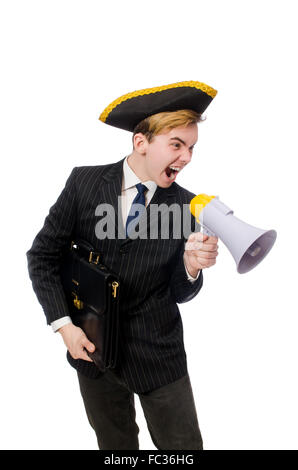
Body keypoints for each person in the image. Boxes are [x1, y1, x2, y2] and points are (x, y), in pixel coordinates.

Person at [26, 80, 219, 450]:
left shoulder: (186, 205)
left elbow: (180, 290)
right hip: (91, 347)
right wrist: (64, 327)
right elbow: (43, 257)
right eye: (176, 145)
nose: (186, 158)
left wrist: (191, 266)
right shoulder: (84, 183)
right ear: (141, 142)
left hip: (158, 357)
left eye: (191, 148)